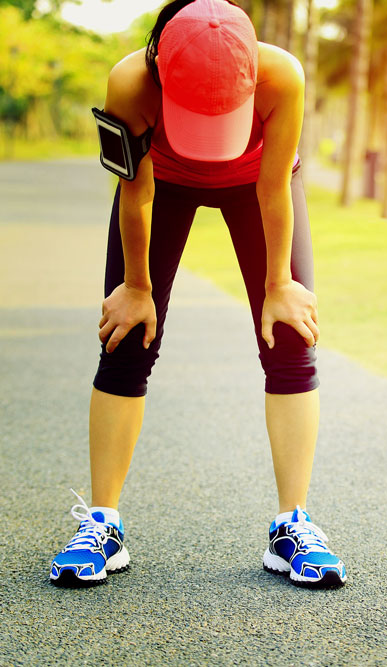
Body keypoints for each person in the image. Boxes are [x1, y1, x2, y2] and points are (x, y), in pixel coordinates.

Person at [49, 0, 346, 589]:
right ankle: (102, 525)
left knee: (290, 333)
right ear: (160, 66)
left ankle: (292, 528)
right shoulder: (129, 81)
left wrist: (279, 284)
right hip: (167, 182)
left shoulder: (280, 73)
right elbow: (135, 196)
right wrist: (135, 287)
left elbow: (274, 191)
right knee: (125, 336)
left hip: (256, 183)